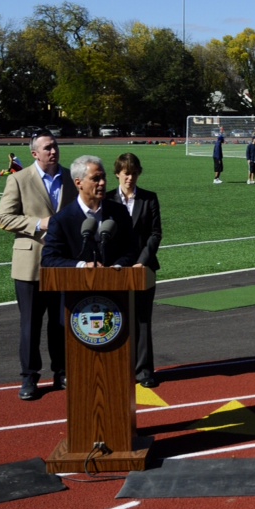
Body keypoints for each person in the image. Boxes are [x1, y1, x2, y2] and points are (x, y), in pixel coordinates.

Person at [0, 131, 77, 401]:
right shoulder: (18, 179)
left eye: (55, 146)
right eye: (48, 148)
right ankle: (30, 377)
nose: (54, 151)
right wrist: (39, 223)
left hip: (62, 263)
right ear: (34, 154)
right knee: (30, 324)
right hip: (29, 263)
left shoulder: (70, 177)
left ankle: (61, 371)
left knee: (60, 323)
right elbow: (3, 218)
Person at [112, 153, 164, 388]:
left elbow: (155, 233)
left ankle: (144, 370)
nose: (130, 178)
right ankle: (121, 367)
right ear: (117, 174)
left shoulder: (149, 199)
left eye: (133, 173)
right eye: (126, 173)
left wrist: (142, 261)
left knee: (143, 320)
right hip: (117, 268)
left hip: (145, 267)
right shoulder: (109, 200)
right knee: (119, 320)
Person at [41, 155, 137, 270]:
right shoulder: (61, 220)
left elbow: (132, 249)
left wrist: (117, 266)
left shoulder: (119, 212)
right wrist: (82, 266)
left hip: (116, 284)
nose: (102, 183)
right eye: (96, 179)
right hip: (78, 285)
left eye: (103, 177)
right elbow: (49, 259)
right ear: (78, 183)